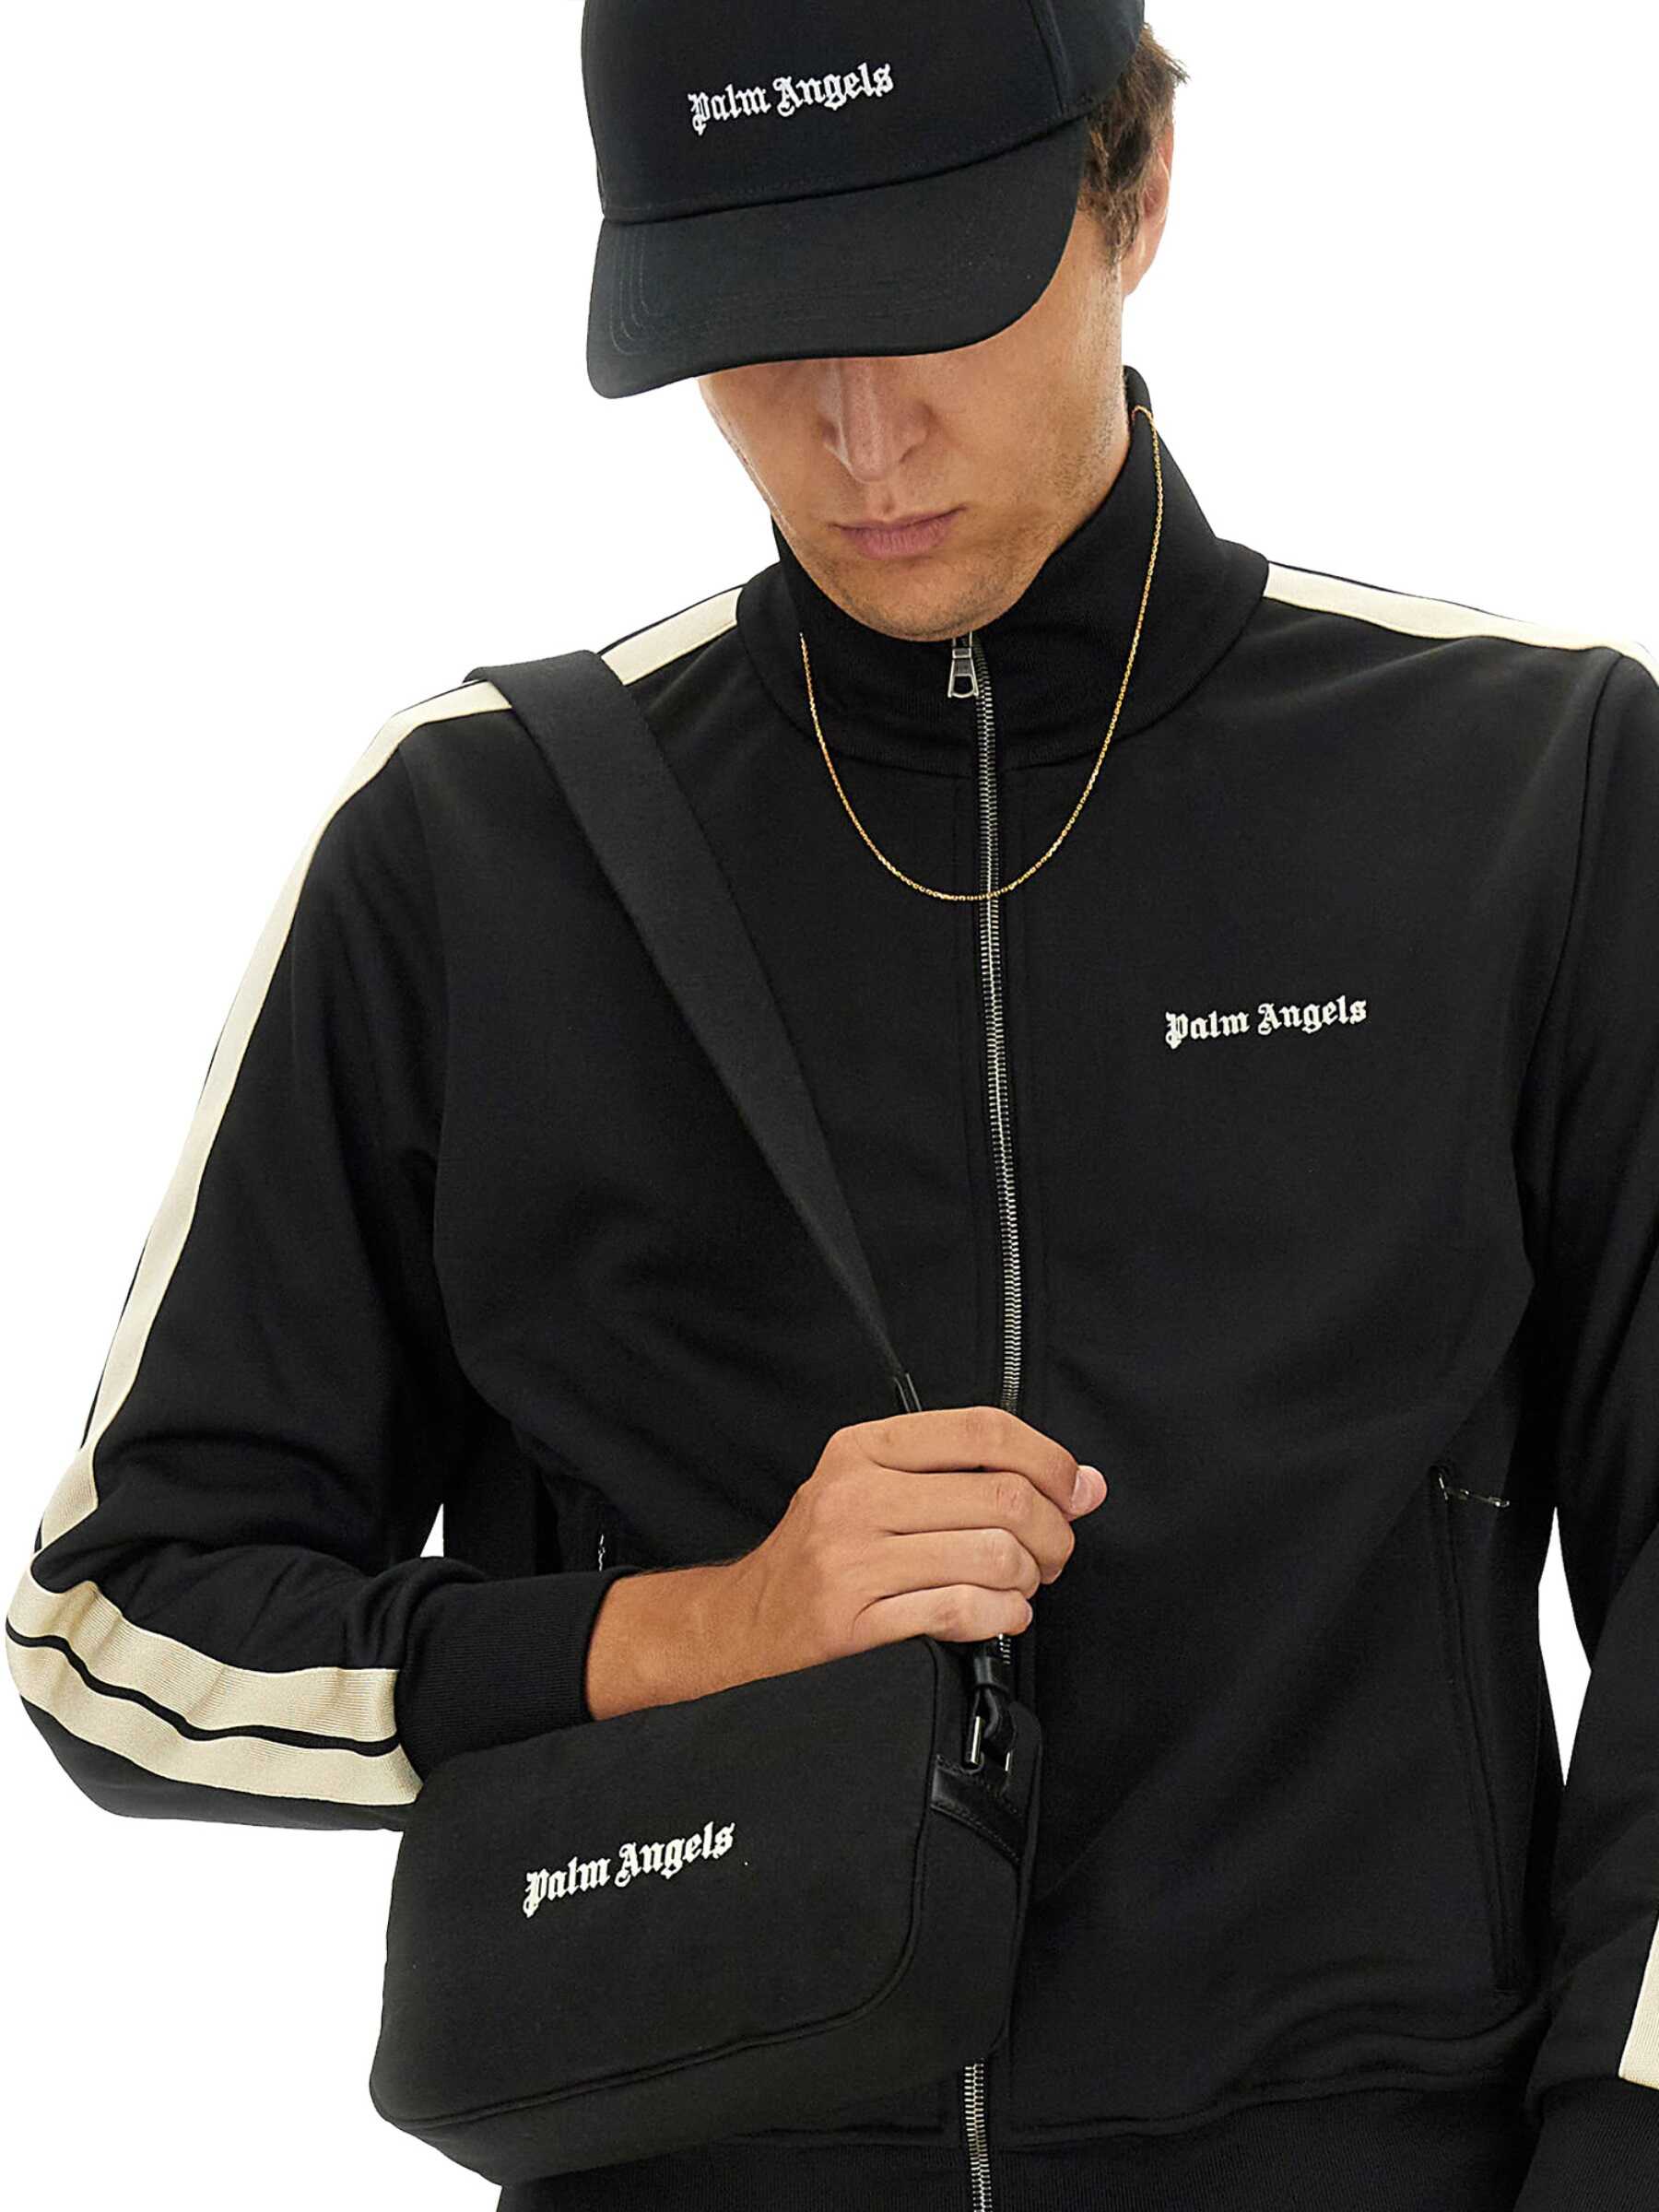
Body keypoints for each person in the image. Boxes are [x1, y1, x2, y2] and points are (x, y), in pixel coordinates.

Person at [7, 4, 1658, 2206]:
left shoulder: (1528, 792)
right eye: (761, 332)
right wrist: (701, 1632)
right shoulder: (472, 859)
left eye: (930, 308)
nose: (858, 437)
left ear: (1136, 194)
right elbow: (121, 1629)